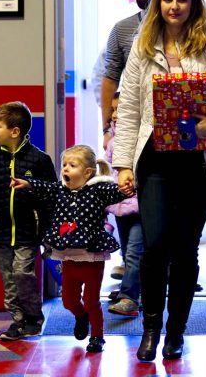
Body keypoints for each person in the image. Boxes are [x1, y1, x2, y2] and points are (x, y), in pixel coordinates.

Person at [112, 0, 206, 361]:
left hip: (202, 163)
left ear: (193, 2)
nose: (174, 6)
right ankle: (150, 329)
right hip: (155, 162)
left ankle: (176, 333)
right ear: (158, 3)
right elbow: (131, 107)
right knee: (155, 245)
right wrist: (121, 165)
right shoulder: (142, 46)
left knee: (185, 249)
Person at [10, 144, 134, 353]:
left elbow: (117, 192)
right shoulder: (61, 189)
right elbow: (45, 187)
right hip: (68, 256)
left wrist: (126, 187)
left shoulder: (98, 189)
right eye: (64, 165)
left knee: (91, 301)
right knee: (68, 300)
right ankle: (80, 316)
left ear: (87, 172)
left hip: (91, 255)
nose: (65, 169)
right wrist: (28, 183)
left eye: (72, 165)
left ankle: (97, 336)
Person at [0, 101, 57, 341]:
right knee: (9, 282)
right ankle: (18, 322)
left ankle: (33, 318)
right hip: (0, 233)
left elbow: (51, 196)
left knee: (22, 274)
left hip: (27, 233)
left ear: (15, 131)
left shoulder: (39, 160)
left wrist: (49, 232)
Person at [98, 0, 159, 150]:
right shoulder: (121, 29)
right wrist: (106, 130)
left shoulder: (177, 27)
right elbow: (110, 79)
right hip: (133, 125)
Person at [105, 92, 144, 317]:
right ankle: (131, 289)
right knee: (128, 249)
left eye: (122, 110)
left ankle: (129, 297)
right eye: (114, 110)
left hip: (139, 204)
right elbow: (110, 170)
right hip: (121, 204)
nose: (116, 115)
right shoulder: (113, 142)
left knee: (135, 252)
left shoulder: (141, 140)